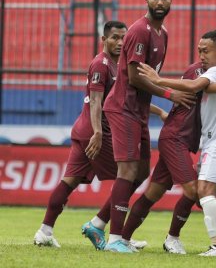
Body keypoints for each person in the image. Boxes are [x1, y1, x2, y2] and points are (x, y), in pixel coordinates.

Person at [33, 21, 166, 250]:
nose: (120, 42)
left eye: (124, 38)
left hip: (86, 130)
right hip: (96, 132)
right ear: (104, 40)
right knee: (130, 174)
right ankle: (112, 232)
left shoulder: (117, 65)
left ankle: (45, 231)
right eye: (114, 37)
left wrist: (159, 111)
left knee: (69, 181)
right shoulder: (101, 64)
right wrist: (97, 133)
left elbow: (121, 100)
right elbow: (96, 101)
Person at [137, 30, 216, 257]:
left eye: (206, 51)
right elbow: (214, 89)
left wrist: (158, 81)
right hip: (215, 140)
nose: (201, 55)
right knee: (204, 195)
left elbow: (195, 85)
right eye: (199, 51)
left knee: (203, 192)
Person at [101, 0, 195, 253]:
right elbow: (134, 78)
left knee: (141, 171)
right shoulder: (139, 31)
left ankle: (98, 223)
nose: (159, 2)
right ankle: (115, 239)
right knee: (128, 171)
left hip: (138, 111)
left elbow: (150, 75)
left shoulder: (162, 33)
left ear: (171, 1)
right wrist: (170, 95)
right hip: (123, 107)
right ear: (146, 0)